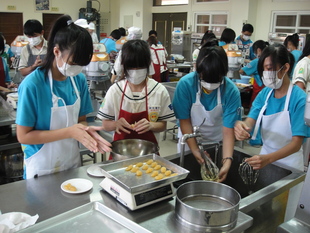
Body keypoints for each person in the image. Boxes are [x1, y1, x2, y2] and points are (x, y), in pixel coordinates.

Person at [15, 15, 111, 179]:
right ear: (56, 51)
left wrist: (85, 131)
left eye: (82, 64)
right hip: (41, 168)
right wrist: (70, 132)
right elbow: (23, 136)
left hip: (71, 163)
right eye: (74, 63)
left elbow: (80, 120)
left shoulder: (78, 79)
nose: (78, 68)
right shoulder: (33, 85)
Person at [234, 44, 308, 221]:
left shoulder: (300, 99)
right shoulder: (265, 94)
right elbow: (250, 120)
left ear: (285, 68)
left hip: (290, 165)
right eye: (264, 70)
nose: (266, 75)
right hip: (265, 159)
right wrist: (242, 128)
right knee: (264, 213)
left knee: (283, 215)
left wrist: (268, 159)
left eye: (269, 69)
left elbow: (296, 143)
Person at [172, 45, 242, 183]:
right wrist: (196, 150)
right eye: (205, 78)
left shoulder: (231, 91)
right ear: (199, 70)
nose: (210, 84)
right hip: (189, 139)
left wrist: (227, 161)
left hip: (217, 141)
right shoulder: (186, 85)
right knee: (187, 178)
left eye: (216, 79)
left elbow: (228, 130)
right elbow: (184, 121)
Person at [97, 39, 175, 147]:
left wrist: (151, 125)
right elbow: (105, 125)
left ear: (148, 64)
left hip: (149, 153)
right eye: (131, 67)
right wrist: (116, 124)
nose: (135, 71)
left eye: (140, 67)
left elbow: (163, 125)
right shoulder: (115, 90)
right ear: (123, 66)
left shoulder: (159, 91)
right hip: (121, 152)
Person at [240, 40, 269, 105]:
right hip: (266, 87)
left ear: (258, 50)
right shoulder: (268, 59)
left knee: (255, 107)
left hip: (259, 89)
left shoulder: (256, 61)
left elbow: (241, 71)